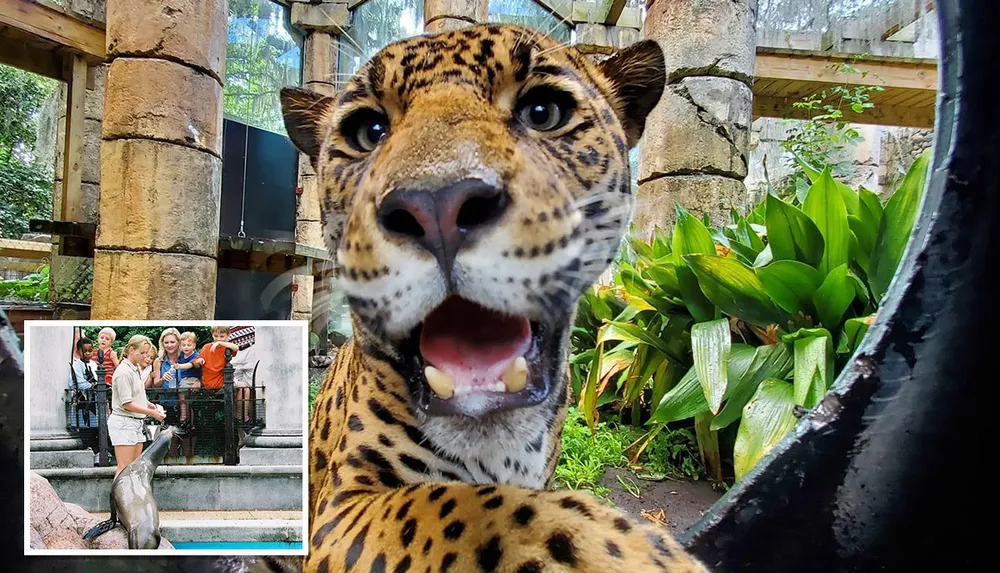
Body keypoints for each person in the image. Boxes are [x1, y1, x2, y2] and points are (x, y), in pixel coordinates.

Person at [107, 335, 165, 480]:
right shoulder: (123, 372)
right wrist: (151, 412)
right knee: (124, 466)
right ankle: (116, 502)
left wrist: (150, 405)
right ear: (131, 350)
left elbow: (137, 395)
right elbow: (126, 403)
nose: (145, 356)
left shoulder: (134, 369)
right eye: (142, 353)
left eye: (147, 353)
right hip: (124, 422)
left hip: (135, 422)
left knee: (133, 466)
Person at [175, 331, 202, 430]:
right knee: (185, 402)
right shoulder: (181, 354)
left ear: (194, 345)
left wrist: (179, 366)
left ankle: (183, 418)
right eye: (184, 345)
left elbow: (189, 365)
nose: (186, 347)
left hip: (193, 380)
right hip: (184, 380)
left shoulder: (195, 355)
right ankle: (188, 421)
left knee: (183, 397)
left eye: (188, 345)